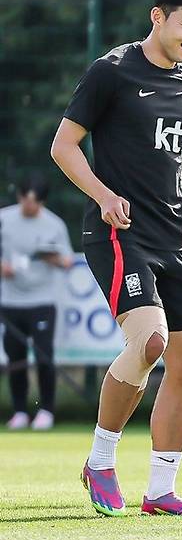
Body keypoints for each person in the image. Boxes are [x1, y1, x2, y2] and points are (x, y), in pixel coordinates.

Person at [51, 0, 182, 517]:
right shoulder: (112, 72)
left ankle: (161, 489)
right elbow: (64, 146)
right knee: (151, 343)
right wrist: (104, 195)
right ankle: (100, 461)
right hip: (119, 230)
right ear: (158, 17)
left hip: (174, 234)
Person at [0, 173, 73, 431]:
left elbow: (67, 261)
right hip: (11, 300)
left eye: (36, 202)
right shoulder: (5, 220)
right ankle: (19, 411)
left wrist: (50, 258)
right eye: (26, 201)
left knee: (44, 357)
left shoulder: (54, 224)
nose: (30, 207)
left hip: (43, 300)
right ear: (19, 197)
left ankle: (46, 410)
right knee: (15, 357)